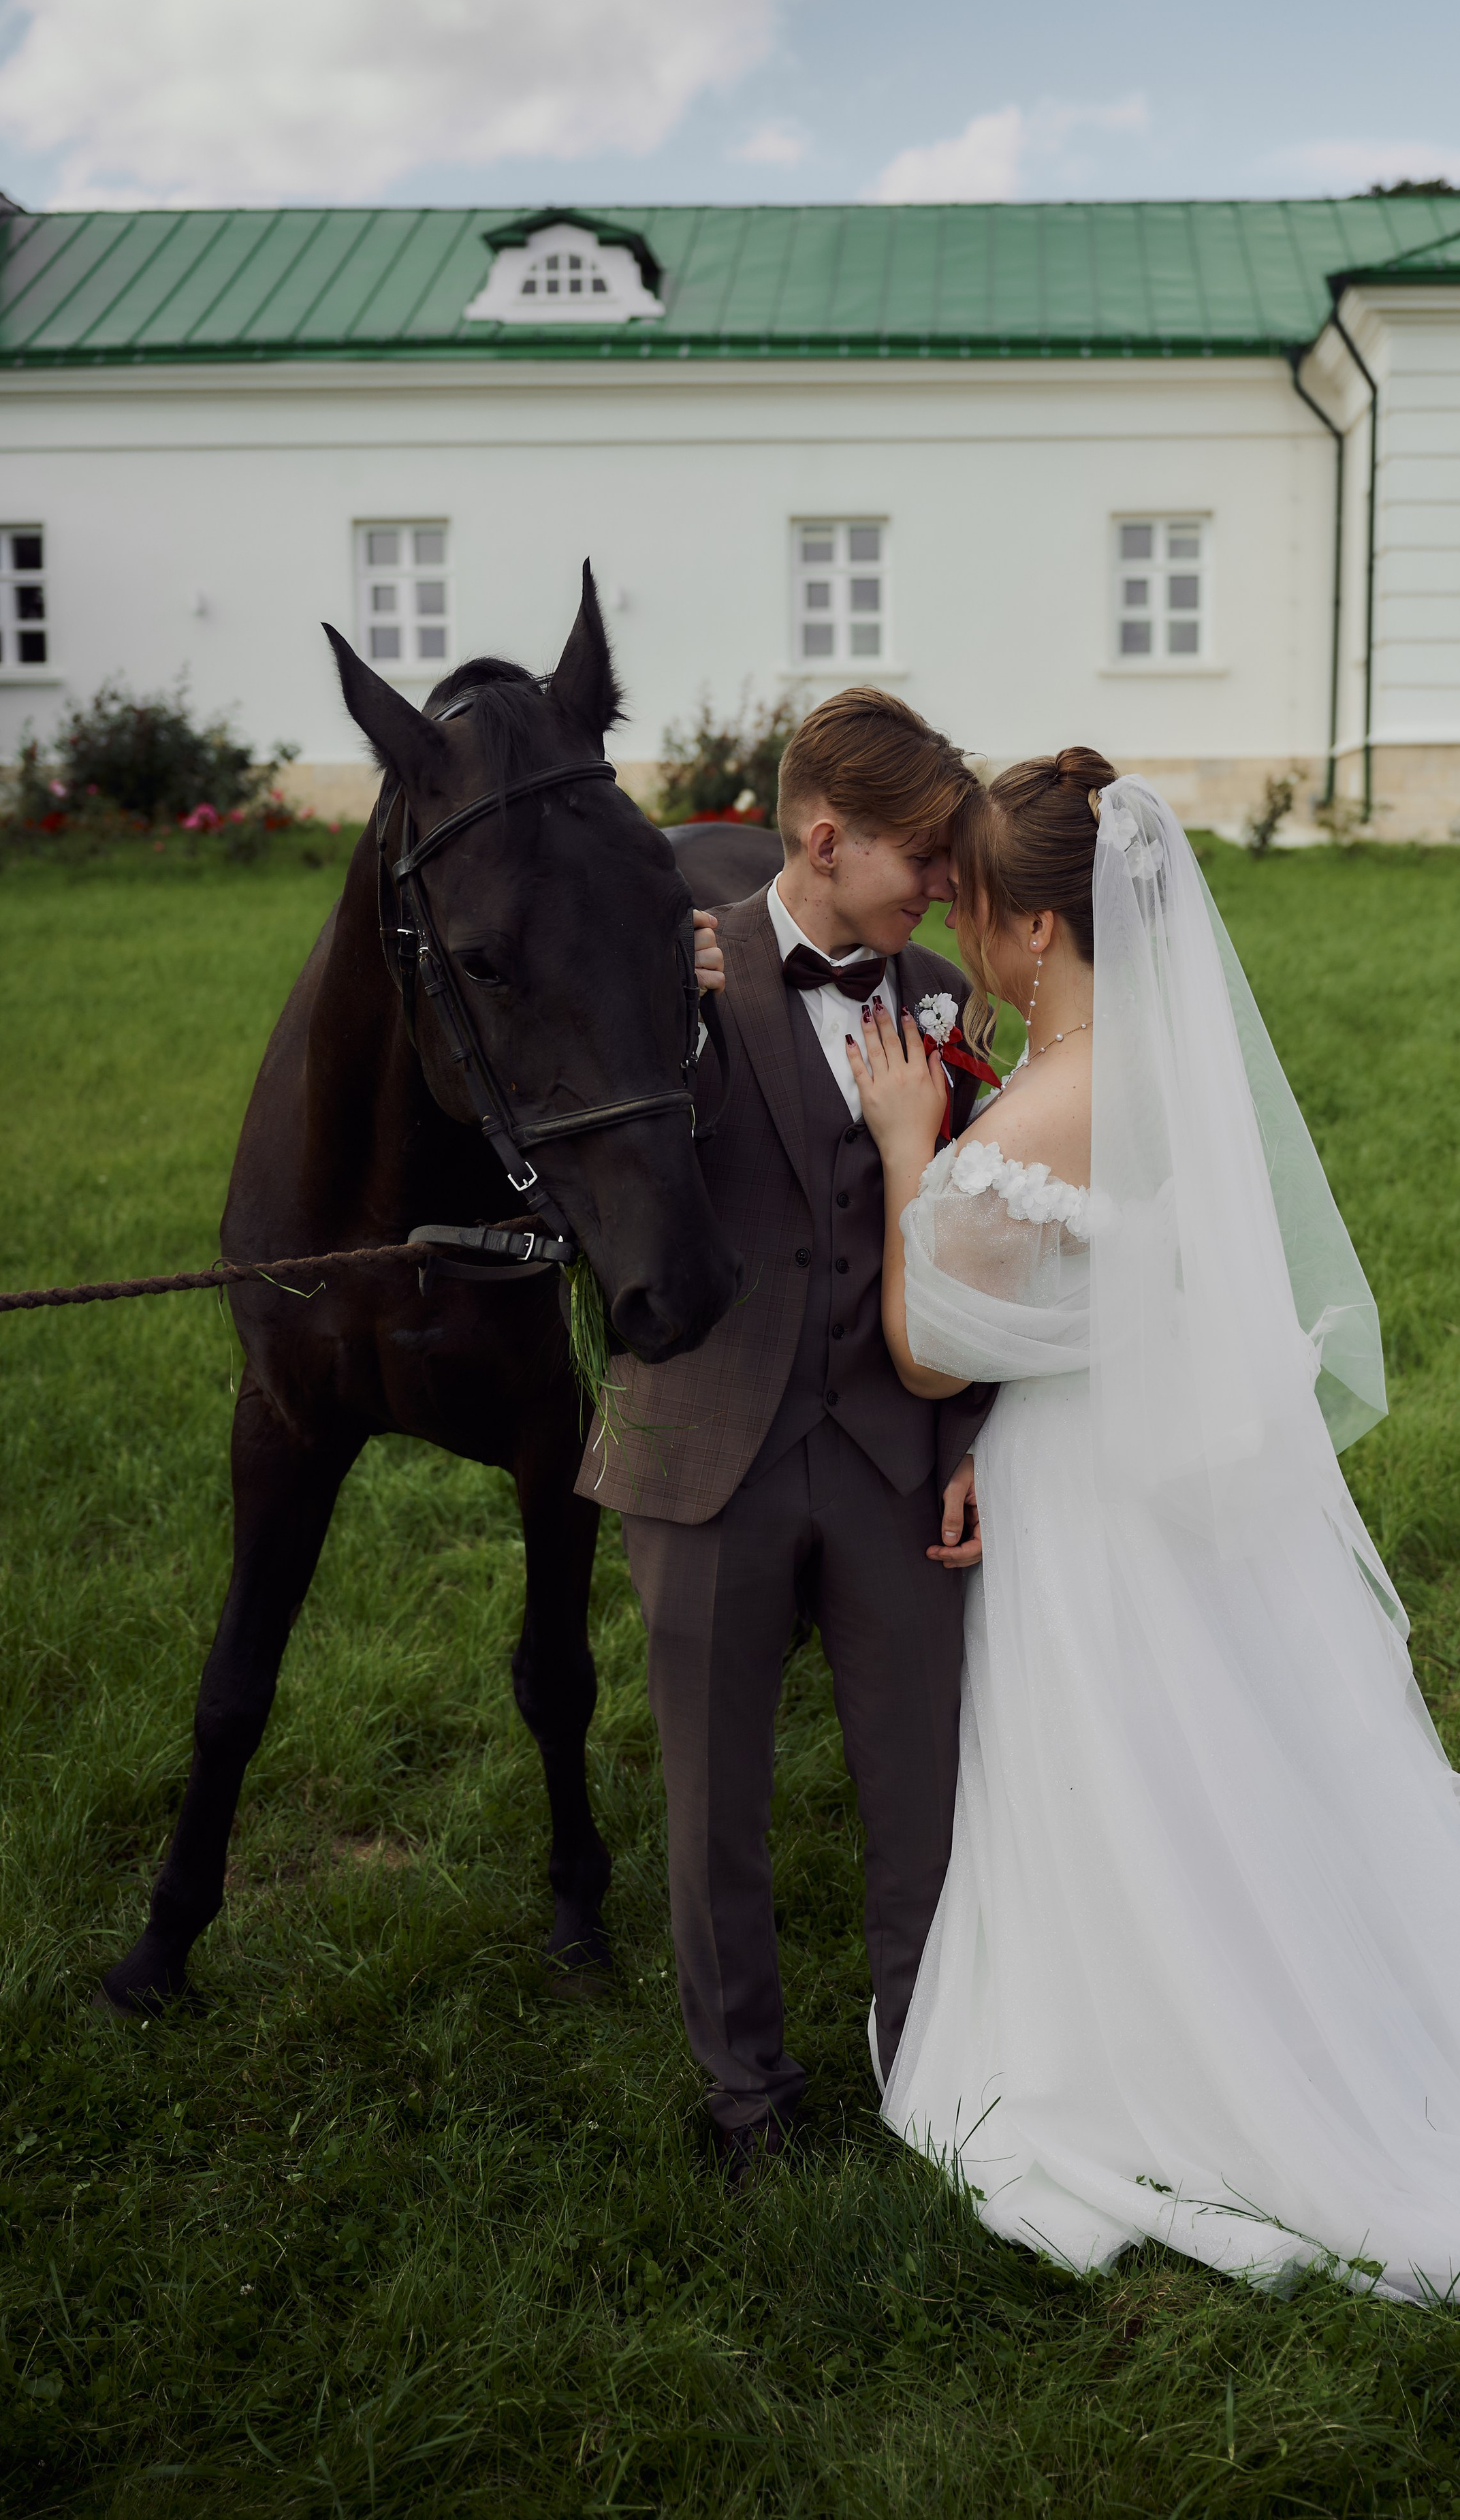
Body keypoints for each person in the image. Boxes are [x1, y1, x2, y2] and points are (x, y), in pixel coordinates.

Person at [846, 749, 1460, 2305]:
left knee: (1125, 1761)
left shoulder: (1036, 1115)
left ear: (1039, 931)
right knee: (1214, 1746)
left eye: (978, 908)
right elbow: (1137, 1299)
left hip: (1088, 1498)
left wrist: (906, 1149)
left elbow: (927, 1339)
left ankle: (1181, 2031)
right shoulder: (1167, 1069)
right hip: (1143, 1464)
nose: (965, 933)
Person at [584, 687, 995, 2183]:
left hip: (894, 1447)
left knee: (924, 1788)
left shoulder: (944, 995)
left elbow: (981, 1246)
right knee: (715, 1804)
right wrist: (658, 1017)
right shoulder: (664, 980)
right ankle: (744, 2092)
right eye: (925, 856)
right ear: (825, 839)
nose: (944, 883)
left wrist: (965, 1438)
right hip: (708, 1448)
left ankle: (932, 2067)